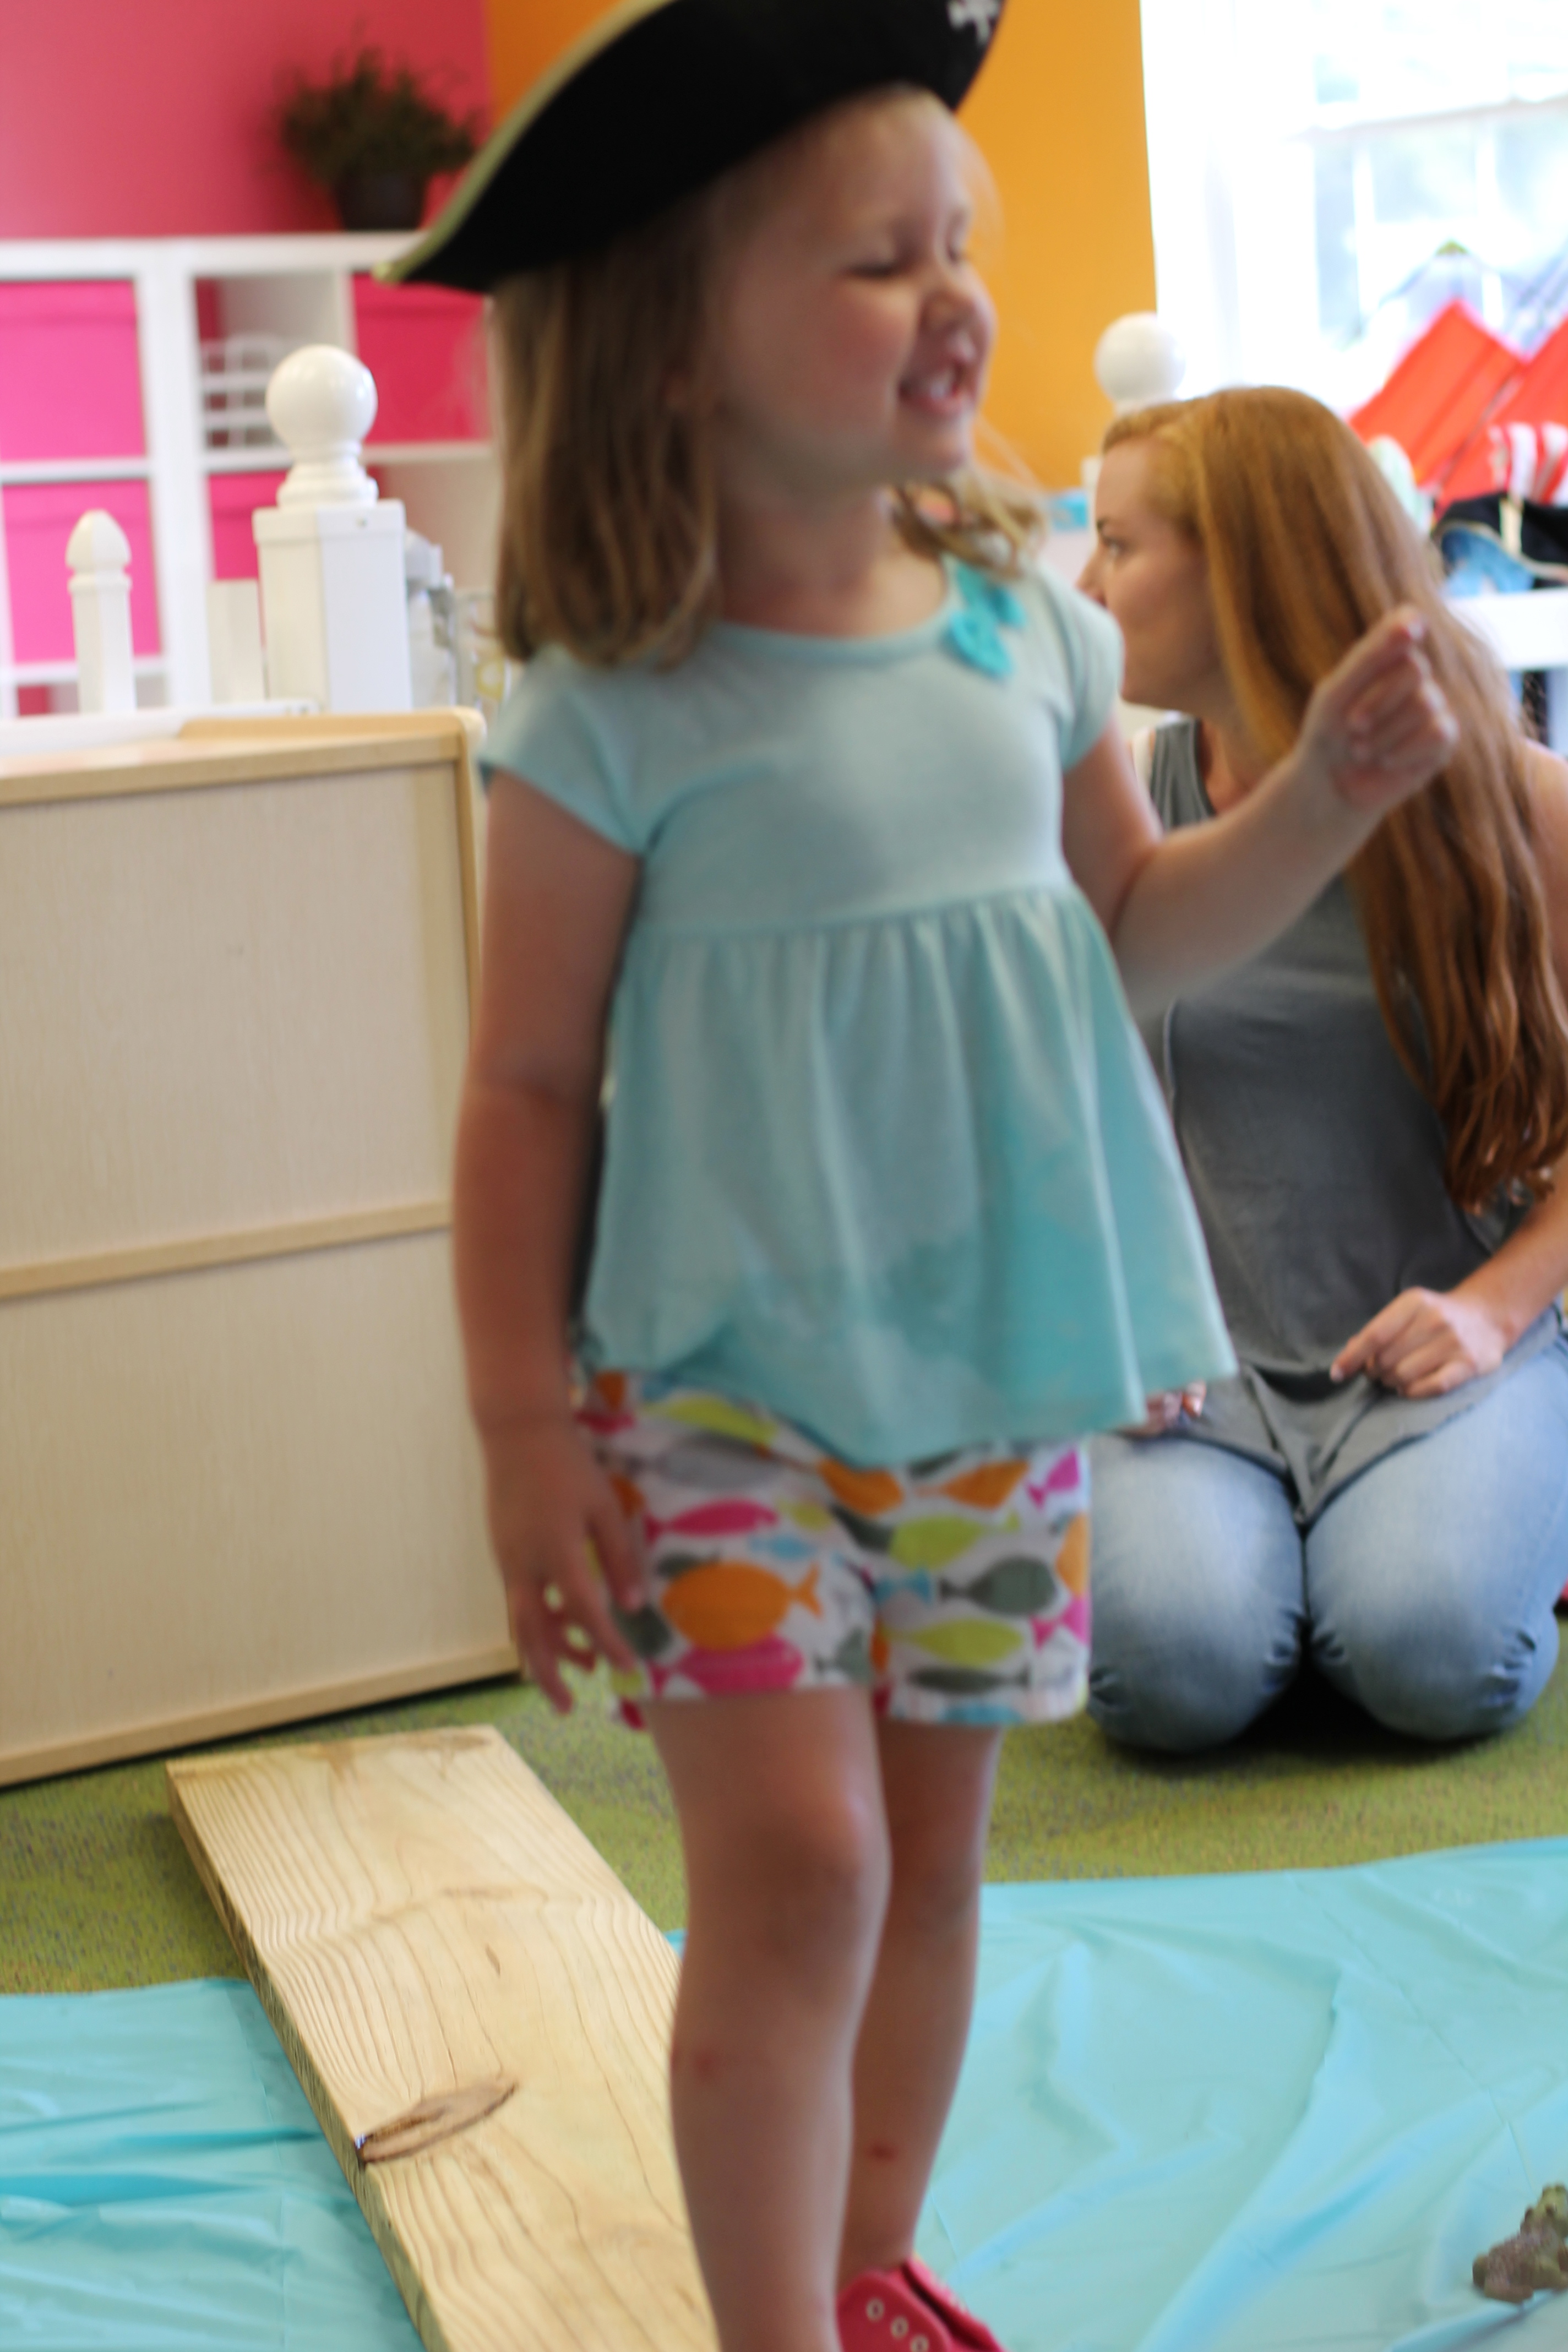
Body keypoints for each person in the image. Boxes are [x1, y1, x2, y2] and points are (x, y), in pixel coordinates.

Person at [401, 9, 1456, 2346]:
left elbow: (1130, 925)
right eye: (877, 260)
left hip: (987, 1378)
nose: (953, 295)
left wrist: (1321, 802)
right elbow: (526, 1087)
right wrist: (515, 1430)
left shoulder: (1027, 632)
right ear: (676, 341)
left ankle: (867, 2265)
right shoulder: (611, 701)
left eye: (952, 243)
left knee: (932, 1865)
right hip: (710, 1398)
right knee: (797, 1862)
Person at [1079, 386, 1568, 1757]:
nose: (1082, 586)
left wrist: (1490, 1313)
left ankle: (1401, 1545)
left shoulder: (1519, 805)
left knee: (1432, 1656)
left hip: (1439, 1350)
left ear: (1246, 571)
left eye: (1116, 544)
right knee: (1170, 1677)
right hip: (1196, 1372)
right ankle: (1284, 1579)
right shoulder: (1117, 807)